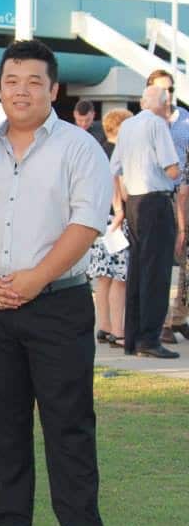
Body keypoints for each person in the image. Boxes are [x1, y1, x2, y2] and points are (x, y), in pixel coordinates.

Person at [0, 39, 111, 526]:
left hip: (58, 306)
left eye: (33, 82)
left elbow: (86, 222)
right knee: (1, 429)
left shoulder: (79, 147)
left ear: (54, 88)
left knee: (68, 428)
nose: (21, 91)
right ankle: (8, 525)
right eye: (12, 81)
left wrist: (36, 278)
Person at [110, 85, 181, 360]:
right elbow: (171, 168)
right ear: (164, 103)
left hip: (135, 203)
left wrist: (119, 207)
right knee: (157, 272)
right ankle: (149, 339)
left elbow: (113, 168)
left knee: (137, 270)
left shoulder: (127, 127)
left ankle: (133, 337)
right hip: (156, 202)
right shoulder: (158, 125)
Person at [147, 69, 189, 344]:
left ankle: (179, 317)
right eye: (162, 89)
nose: (168, 94)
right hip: (159, 197)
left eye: (171, 88)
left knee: (184, 263)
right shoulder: (147, 123)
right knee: (161, 262)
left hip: (185, 194)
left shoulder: (185, 120)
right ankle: (159, 322)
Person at [88, 108, 132, 349]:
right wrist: (121, 209)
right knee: (119, 279)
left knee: (103, 278)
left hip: (100, 220)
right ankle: (118, 329)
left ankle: (104, 326)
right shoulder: (119, 153)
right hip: (117, 220)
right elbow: (120, 187)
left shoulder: (99, 150)